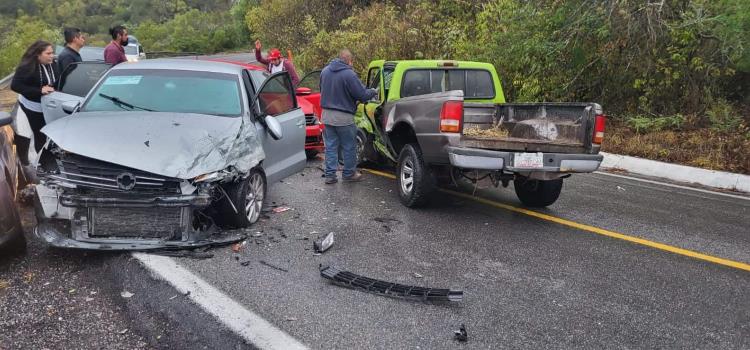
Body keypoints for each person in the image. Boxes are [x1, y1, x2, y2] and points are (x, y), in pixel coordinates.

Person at [319, 49, 377, 184]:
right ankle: (349, 173)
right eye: (352, 62)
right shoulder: (349, 74)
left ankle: (330, 175)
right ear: (349, 61)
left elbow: (322, 90)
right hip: (344, 117)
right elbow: (361, 95)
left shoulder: (325, 71)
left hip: (327, 115)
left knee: (331, 146)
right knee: (349, 146)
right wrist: (373, 92)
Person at [11, 40, 59, 166]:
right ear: (38, 55)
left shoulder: (53, 63)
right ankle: (43, 163)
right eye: (48, 53)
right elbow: (15, 85)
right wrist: (39, 90)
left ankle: (52, 157)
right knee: (40, 133)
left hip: (49, 104)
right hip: (32, 105)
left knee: (51, 132)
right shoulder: (26, 67)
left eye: (52, 53)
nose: (51, 56)